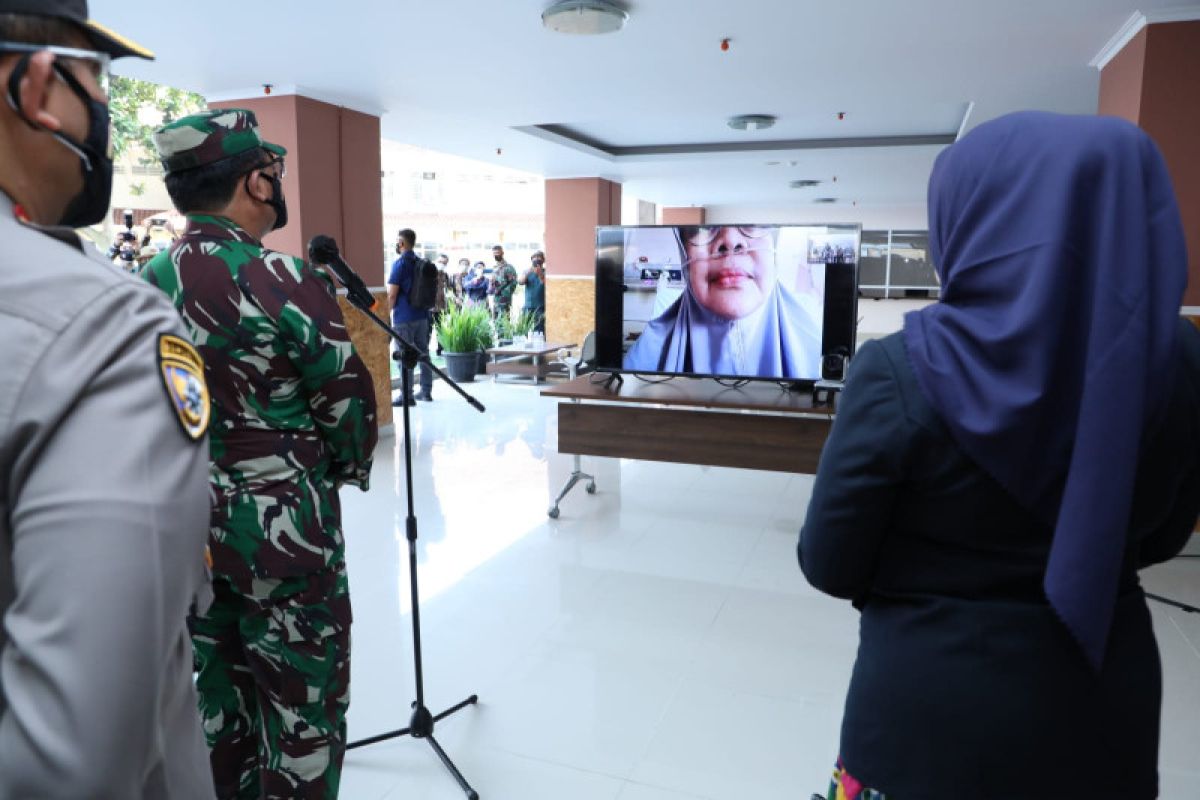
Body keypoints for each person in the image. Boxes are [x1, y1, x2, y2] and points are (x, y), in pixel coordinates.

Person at [798, 111, 1200, 799]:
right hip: (1104, 705)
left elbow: (830, 563)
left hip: (927, 713)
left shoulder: (900, 370)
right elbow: (1162, 537)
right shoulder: (1184, 363)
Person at [0, 4, 215, 797]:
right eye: (97, 79)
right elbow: (73, 764)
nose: (104, 116)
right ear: (36, 84)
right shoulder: (103, 326)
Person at [143, 109, 378, 799]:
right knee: (302, 716)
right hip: (287, 541)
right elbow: (349, 409)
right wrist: (322, 473)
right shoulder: (286, 278)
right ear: (255, 182)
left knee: (222, 708)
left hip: (188, 535)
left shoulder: (141, 281)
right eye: (273, 174)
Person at [623, 225, 821, 378]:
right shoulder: (640, 365)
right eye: (705, 229)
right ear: (683, 251)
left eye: (752, 224)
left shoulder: (821, 353)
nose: (730, 241)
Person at [388, 228, 435, 403]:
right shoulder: (420, 262)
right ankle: (426, 391)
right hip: (422, 316)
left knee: (404, 356)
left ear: (401, 243)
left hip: (403, 318)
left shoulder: (399, 264)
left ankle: (406, 396)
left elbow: (392, 295)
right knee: (423, 354)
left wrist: (386, 315)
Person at [519, 249, 547, 334]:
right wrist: (527, 273)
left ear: (543, 260)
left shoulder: (546, 272)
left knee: (539, 331)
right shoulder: (527, 271)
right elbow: (520, 282)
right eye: (534, 257)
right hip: (527, 306)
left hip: (540, 307)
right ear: (531, 260)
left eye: (539, 257)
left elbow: (546, 284)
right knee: (524, 330)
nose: (536, 259)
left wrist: (540, 274)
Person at [489, 243, 518, 323]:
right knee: (495, 321)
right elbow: (493, 283)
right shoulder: (494, 268)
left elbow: (513, 283)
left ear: (502, 253)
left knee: (504, 322)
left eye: (498, 253)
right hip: (495, 300)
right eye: (494, 254)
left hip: (504, 300)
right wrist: (492, 287)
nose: (496, 255)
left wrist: (502, 292)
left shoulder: (509, 267)